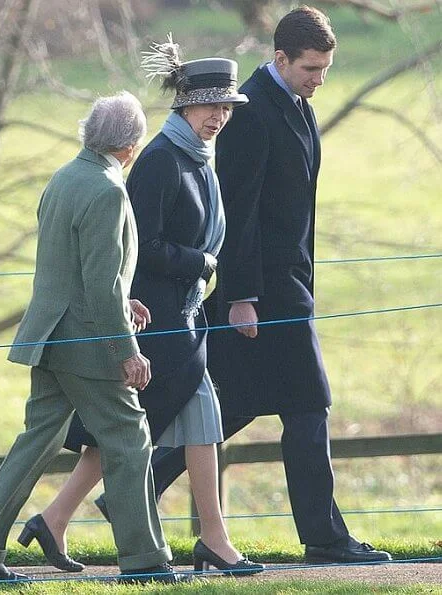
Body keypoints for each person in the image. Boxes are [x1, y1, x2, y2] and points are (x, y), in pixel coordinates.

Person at [95, 6, 392, 564]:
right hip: (266, 291)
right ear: (279, 59)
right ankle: (325, 540)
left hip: (288, 281)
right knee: (310, 405)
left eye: (326, 69)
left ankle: (129, 492)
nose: (319, 79)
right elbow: (240, 213)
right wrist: (240, 296)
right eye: (310, 69)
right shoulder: (251, 113)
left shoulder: (298, 106)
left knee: (235, 400)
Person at [26, 43, 263, 577]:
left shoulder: (198, 158)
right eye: (208, 107)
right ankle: (215, 540)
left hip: (184, 317)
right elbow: (142, 246)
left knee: (134, 428)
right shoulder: (160, 160)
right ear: (182, 107)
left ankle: (56, 516)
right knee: (172, 422)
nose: (218, 116)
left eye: (225, 107)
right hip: (155, 320)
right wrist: (201, 261)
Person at [0, 91, 186, 585]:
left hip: (50, 337)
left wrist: (126, 303)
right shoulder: (108, 190)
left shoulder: (63, 178)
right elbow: (98, 284)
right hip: (86, 342)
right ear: (130, 147)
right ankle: (145, 559)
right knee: (129, 437)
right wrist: (129, 351)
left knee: (38, 440)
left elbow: (79, 272)